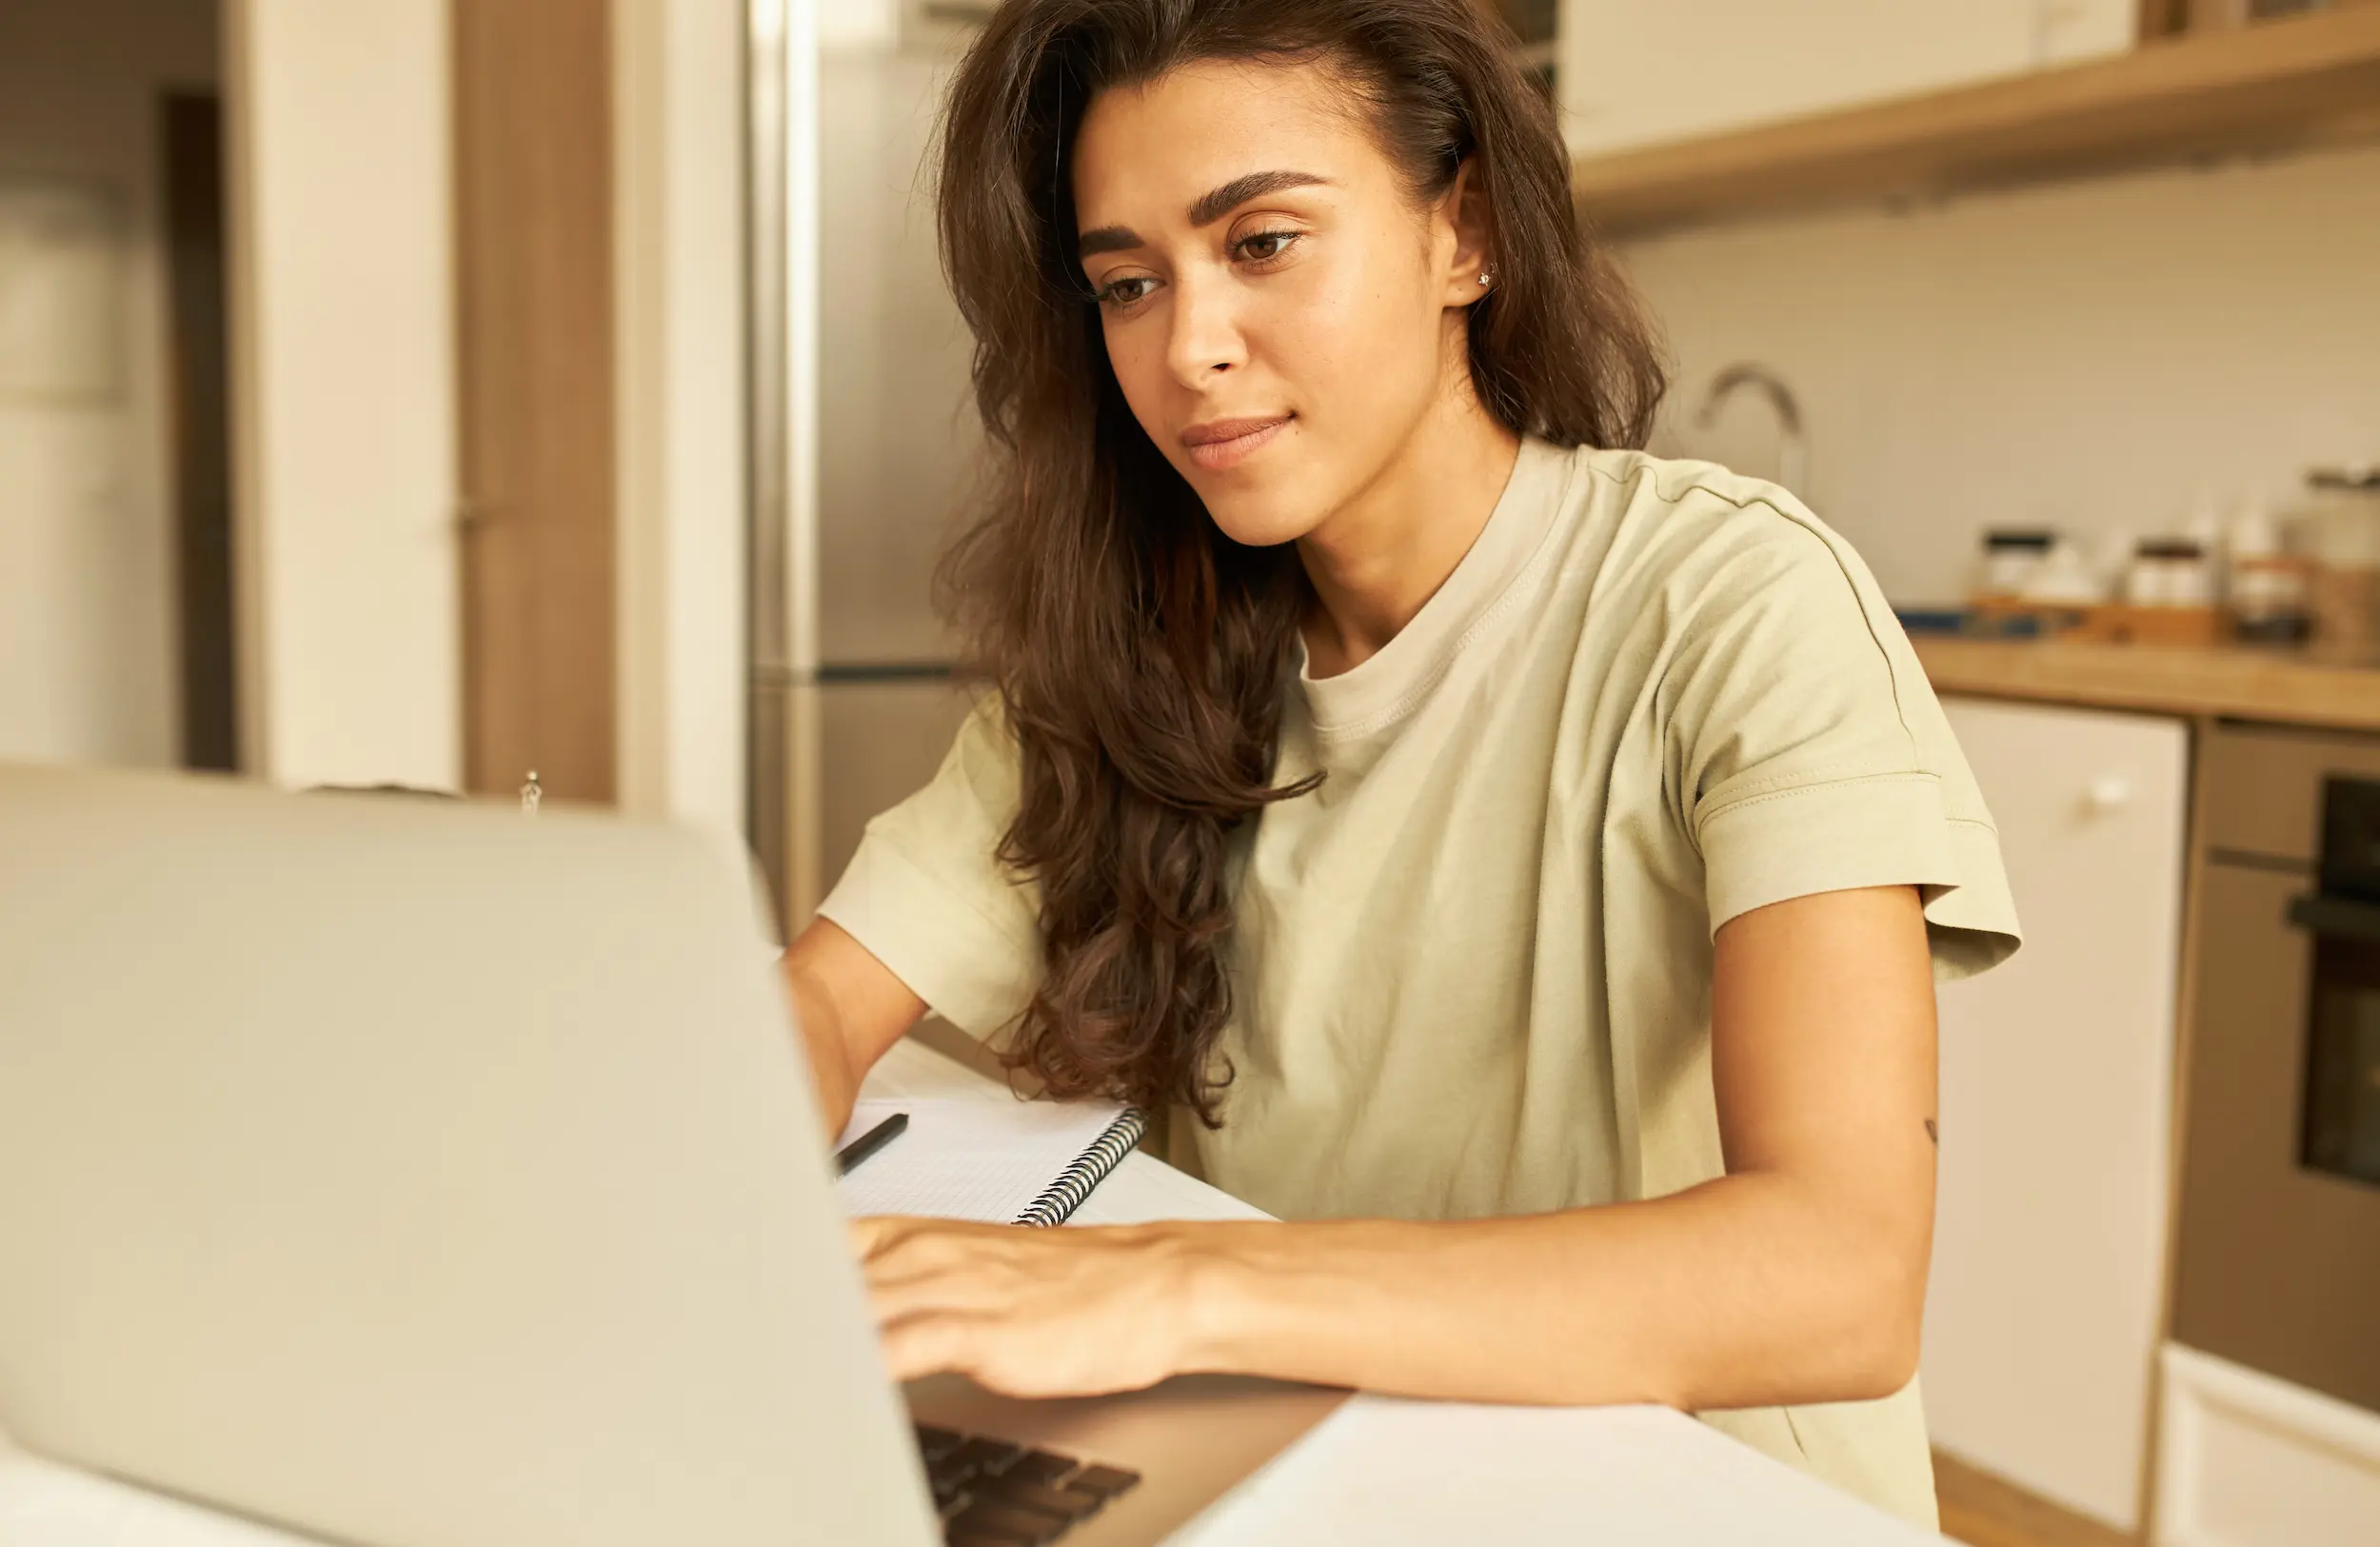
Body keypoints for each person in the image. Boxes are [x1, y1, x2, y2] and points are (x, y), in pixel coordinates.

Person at [783, 0, 2020, 1527]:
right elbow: (821, 1008)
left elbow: (1837, 1280)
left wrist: (1175, 1283)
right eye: (1126, 283)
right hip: (1310, 1463)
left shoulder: (1734, 603)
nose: (1189, 348)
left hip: (1676, 1495)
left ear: (1468, 235)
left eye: (1262, 243)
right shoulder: (1130, 652)